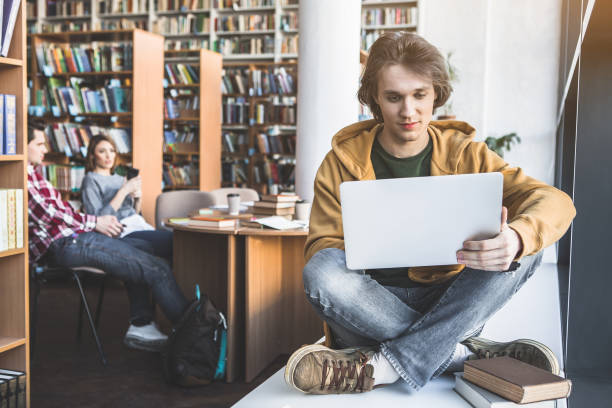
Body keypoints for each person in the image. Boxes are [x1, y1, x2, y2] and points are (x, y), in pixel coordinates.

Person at [284, 32, 576, 395]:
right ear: (374, 98)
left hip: (448, 299)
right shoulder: (340, 161)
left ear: (436, 92)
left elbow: (555, 200)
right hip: (369, 304)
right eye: (393, 97)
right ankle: (459, 356)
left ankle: (383, 366)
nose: (409, 111)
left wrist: (516, 237)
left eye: (419, 95)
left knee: (530, 248)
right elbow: (322, 249)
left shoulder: (466, 154)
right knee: (322, 271)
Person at [27, 125, 188, 352]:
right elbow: (50, 213)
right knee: (158, 268)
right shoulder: (24, 176)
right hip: (69, 242)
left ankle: (141, 324)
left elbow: (62, 211)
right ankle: (196, 335)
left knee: (147, 252)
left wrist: (133, 198)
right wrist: (95, 222)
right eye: (39, 144)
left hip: (77, 236)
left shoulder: (34, 173)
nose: (45, 149)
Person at [81, 135, 173, 261]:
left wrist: (137, 198)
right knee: (172, 241)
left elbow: (134, 212)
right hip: (122, 231)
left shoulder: (119, 177)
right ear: (92, 155)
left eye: (112, 150)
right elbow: (97, 219)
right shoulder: (91, 179)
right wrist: (123, 191)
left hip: (137, 223)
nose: (109, 156)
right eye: (102, 151)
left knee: (178, 243)